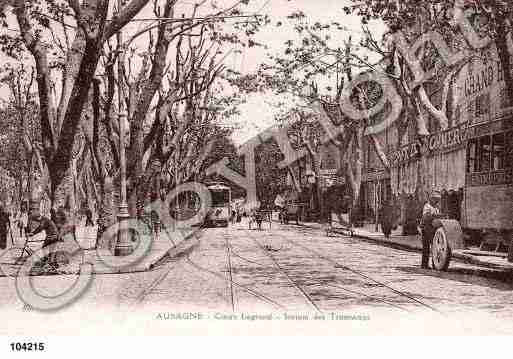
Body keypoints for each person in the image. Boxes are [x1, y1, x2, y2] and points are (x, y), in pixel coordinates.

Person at [420, 190, 442, 269]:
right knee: (426, 247)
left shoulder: (436, 208)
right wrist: (435, 215)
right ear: (431, 199)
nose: (436, 201)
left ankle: (435, 263)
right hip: (426, 228)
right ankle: (424, 264)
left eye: (437, 200)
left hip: (433, 228)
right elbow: (426, 217)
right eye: (435, 199)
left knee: (434, 247)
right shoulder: (427, 206)